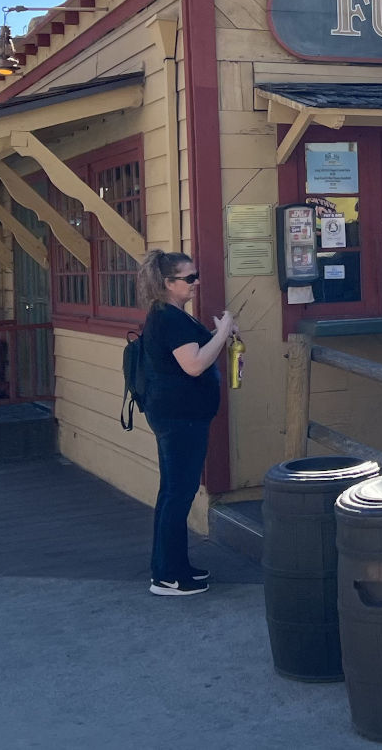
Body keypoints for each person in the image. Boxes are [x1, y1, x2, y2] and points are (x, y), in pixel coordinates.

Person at [136, 250, 234, 597]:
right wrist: (222, 334)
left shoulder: (171, 316)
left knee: (174, 491)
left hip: (179, 416)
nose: (196, 283)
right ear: (167, 283)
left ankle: (174, 566)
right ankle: (166, 576)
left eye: (196, 275)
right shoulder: (169, 319)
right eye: (189, 278)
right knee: (178, 493)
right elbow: (193, 365)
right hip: (179, 419)